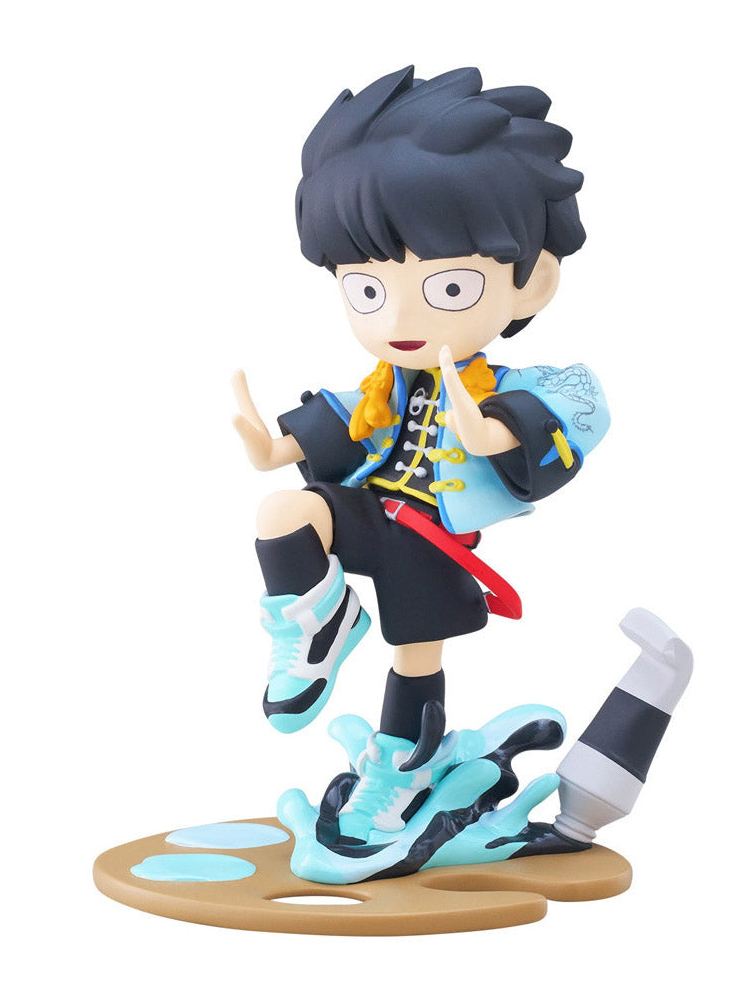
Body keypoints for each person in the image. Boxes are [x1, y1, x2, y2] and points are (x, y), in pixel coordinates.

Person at [232, 66, 609, 845]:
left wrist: (487, 427)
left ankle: (402, 770)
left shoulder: (525, 385)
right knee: (283, 512)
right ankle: (317, 624)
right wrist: (272, 446)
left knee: (415, 657)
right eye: (367, 291)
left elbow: (551, 423)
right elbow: (347, 424)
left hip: (434, 541)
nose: (398, 318)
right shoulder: (388, 385)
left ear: (532, 283)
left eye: (448, 289)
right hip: (374, 512)